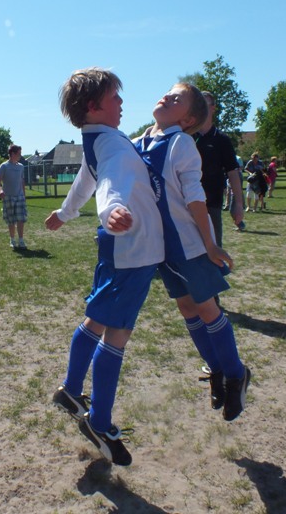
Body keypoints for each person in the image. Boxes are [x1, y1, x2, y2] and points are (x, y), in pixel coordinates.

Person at [46, 67, 163, 467]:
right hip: (133, 250)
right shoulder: (110, 144)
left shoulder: (98, 139)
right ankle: (99, 422)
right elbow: (109, 183)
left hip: (121, 248)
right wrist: (111, 210)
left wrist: (65, 212)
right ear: (94, 106)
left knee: (96, 319)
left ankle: (71, 390)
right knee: (117, 333)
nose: (122, 102)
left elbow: (86, 179)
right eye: (115, 97)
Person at [133, 82, 250, 422]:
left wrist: (210, 244)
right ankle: (216, 369)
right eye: (169, 92)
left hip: (189, 243)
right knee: (186, 307)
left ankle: (236, 374)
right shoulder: (140, 141)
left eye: (177, 98)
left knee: (207, 308)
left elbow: (195, 197)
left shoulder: (181, 143)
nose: (167, 96)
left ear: (187, 120)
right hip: (162, 247)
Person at [193, 91, 244, 246]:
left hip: (212, 203)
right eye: (198, 104)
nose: (201, 108)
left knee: (214, 248)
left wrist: (239, 204)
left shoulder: (222, 140)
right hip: (187, 203)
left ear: (213, 108)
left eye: (205, 104)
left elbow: (233, 173)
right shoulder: (186, 136)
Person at [0, 145, 28, 249]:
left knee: (21, 219)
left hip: (20, 197)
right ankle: (12, 239)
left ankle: (21, 240)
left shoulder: (21, 167)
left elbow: (22, 181)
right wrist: (0, 190)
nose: (20, 156)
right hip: (8, 197)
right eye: (19, 154)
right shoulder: (4, 166)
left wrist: (24, 195)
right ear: (12, 154)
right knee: (11, 220)